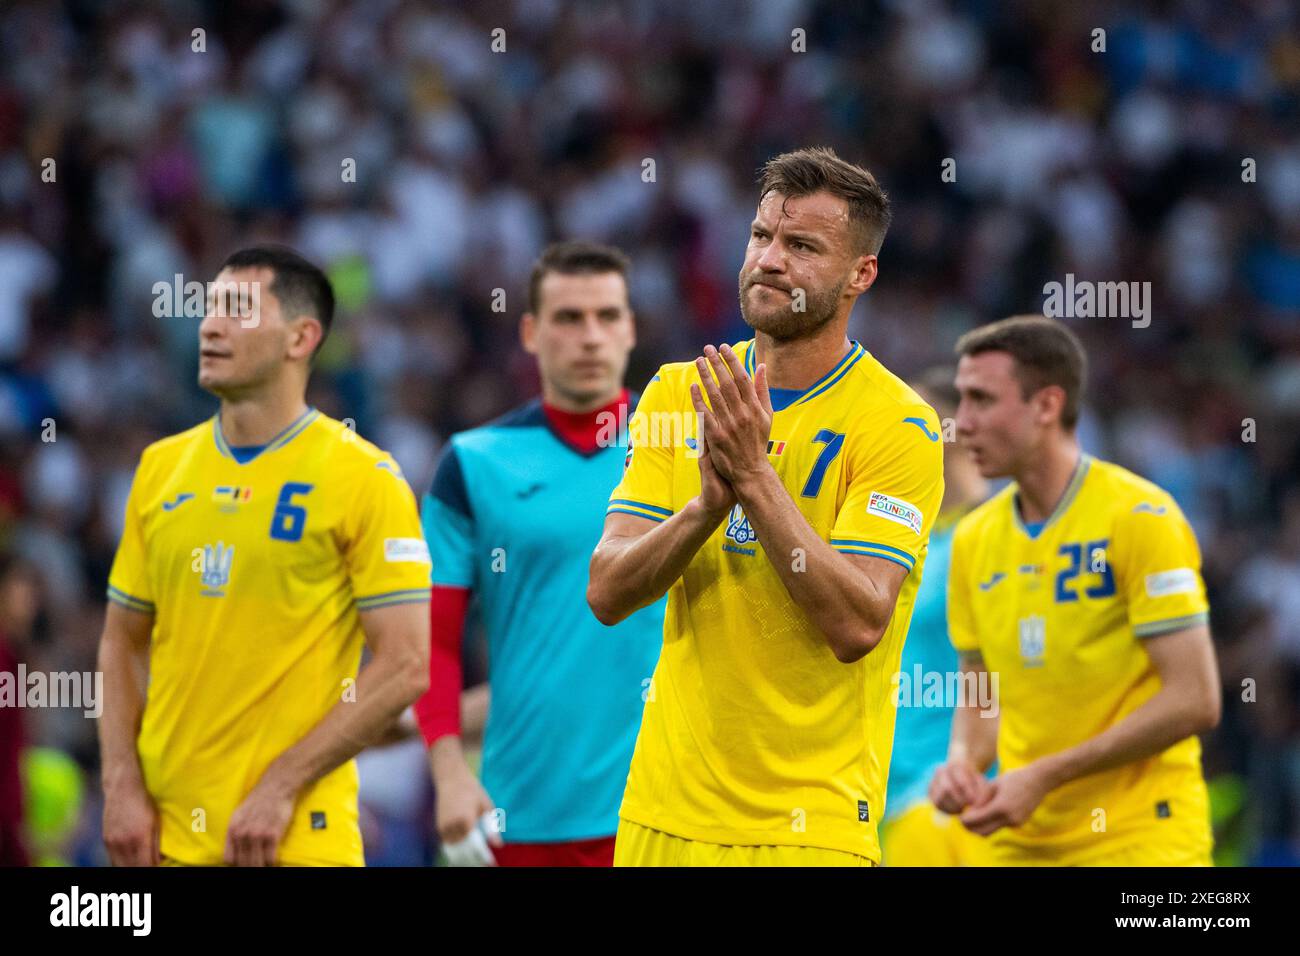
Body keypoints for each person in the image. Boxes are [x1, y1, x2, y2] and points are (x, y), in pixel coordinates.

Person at [588, 147, 944, 866]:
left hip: (807, 828)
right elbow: (607, 590)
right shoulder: (678, 393)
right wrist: (700, 512)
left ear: (860, 275)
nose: (770, 260)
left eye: (802, 246)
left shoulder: (899, 426)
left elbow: (856, 621)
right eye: (762, 237)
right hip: (661, 814)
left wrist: (755, 478)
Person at [98, 245, 430, 866]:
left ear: (301, 337)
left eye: (238, 309)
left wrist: (281, 784)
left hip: (297, 843)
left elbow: (407, 664)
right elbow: (121, 641)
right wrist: (120, 784)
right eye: (209, 308)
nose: (210, 325)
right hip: (165, 845)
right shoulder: (160, 470)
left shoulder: (365, 477)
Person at [930, 315, 1220, 866]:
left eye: (981, 401)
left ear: (1046, 406)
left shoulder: (1139, 516)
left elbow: (1195, 698)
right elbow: (979, 692)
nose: (960, 424)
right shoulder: (972, 539)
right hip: (1019, 840)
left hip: (1141, 838)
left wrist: (1045, 774)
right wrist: (963, 763)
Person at [416, 241, 663, 867]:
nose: (590, 337)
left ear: (631, 329)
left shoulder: (686, 451)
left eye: (608, 316)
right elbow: (434, 644)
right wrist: (448, 773)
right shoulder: (473, 464)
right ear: (530, 331)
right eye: (568, 318)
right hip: (521, 814)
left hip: (669, 810)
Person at [879, 368, 992, 866]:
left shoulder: (992, 534)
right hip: (888, 799)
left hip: (958, 800)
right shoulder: (909, 540)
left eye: (914, 417)